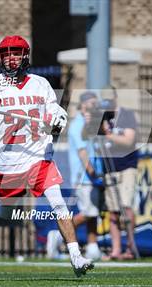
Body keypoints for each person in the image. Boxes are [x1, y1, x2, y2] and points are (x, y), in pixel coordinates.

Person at [0, 35, 94, 277]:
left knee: (58, 203)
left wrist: (57, 120)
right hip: (7, 161)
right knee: (8, 211)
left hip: (38, 156)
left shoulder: (40, 84)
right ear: (1, 57)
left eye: (17, 53)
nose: (12, 59)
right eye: (7, 53)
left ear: (25, 56)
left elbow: (55, 116)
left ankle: (76, 256)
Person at [46, 91, 104, 261]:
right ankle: (57, 235)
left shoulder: (91, 124)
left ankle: (93, 246)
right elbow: (82, 152)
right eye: (92, 103)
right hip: (84, 176)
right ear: (83, 104)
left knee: (93, 212)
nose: (95, 107)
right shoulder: (79, 124)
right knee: (88, 212)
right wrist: (92, 171)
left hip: (92, 176)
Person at [99, 86, 139, 260]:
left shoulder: (127, 115)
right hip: (110, 168)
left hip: (127, 167)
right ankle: (116, 250)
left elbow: (128, 140)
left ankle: (130, 247)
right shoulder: (102, 118)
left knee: (126, 207)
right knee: (113, 211)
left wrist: (108, 135)